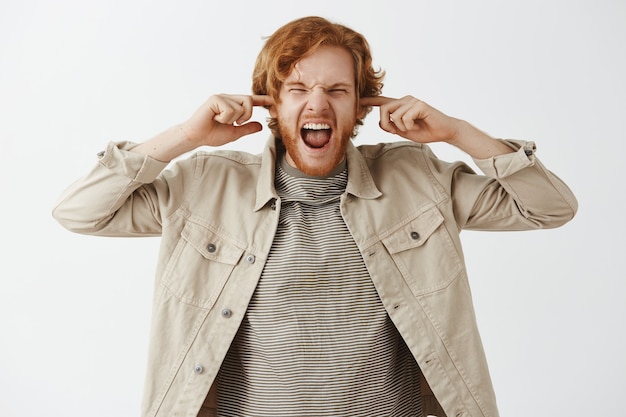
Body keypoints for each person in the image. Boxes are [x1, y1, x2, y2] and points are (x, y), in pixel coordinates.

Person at [53, 16, 577, 417]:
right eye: (298, 90)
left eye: (337, 90)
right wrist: (184, 137)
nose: (317, 105)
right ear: (271, 104)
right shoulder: (205, 186)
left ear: (361, 107)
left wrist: (456, 132)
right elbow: (79, 212)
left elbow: (550, 206)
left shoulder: (420, 180)